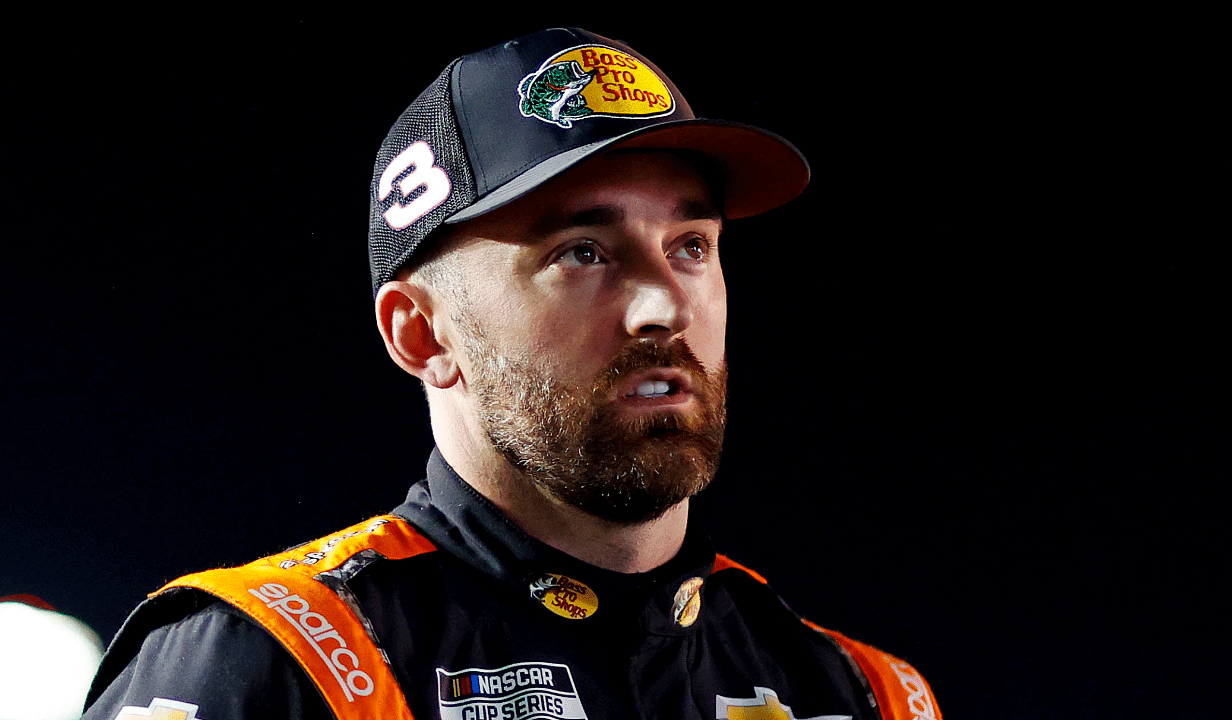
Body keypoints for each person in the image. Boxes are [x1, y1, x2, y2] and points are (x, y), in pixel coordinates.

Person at [82, 28, 942, 720]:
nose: (662, 308)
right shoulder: (273, 660)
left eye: (691, 247)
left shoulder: (866, 695)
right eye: (582, 253)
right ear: (421, 333)